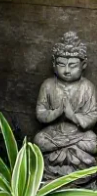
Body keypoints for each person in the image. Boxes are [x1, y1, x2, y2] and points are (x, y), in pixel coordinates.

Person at [34, 31, 97, 180]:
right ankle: (70, 154)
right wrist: (55, 113)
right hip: (54, 132)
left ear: (83, 65)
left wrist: (73, 116)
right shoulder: (48, 85)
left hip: (78, 133)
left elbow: (93, 115)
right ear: (54, 64)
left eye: (72, 65)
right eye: (61, 65)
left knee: (94, 142)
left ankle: (61, 154)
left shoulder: (87, 87)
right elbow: (40, 113)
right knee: (38, 140)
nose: (67, 70)